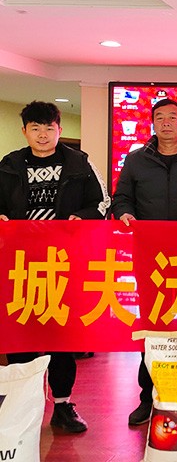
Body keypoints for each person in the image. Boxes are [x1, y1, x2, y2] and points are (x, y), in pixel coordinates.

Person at [0, 101, 110, 433]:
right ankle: (23, 403)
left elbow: (102, 203)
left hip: (65, 263)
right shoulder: (9, 165)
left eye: (49, 128)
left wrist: (83, 217)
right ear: (24, 131)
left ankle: (62, 406)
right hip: (19, 264)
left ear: (59, 130)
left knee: (62, 335)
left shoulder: (80, 163)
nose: (43, 134)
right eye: (35, 128)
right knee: (21, 334)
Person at [111, 98, 177, 427]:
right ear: (152, 123)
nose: (166, 122)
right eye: (160, 117)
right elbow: (121, 197)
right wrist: (124, 213)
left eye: (173, 117)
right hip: (150, 255)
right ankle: (148, 396)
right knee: (152, 325)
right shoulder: (136, 160)